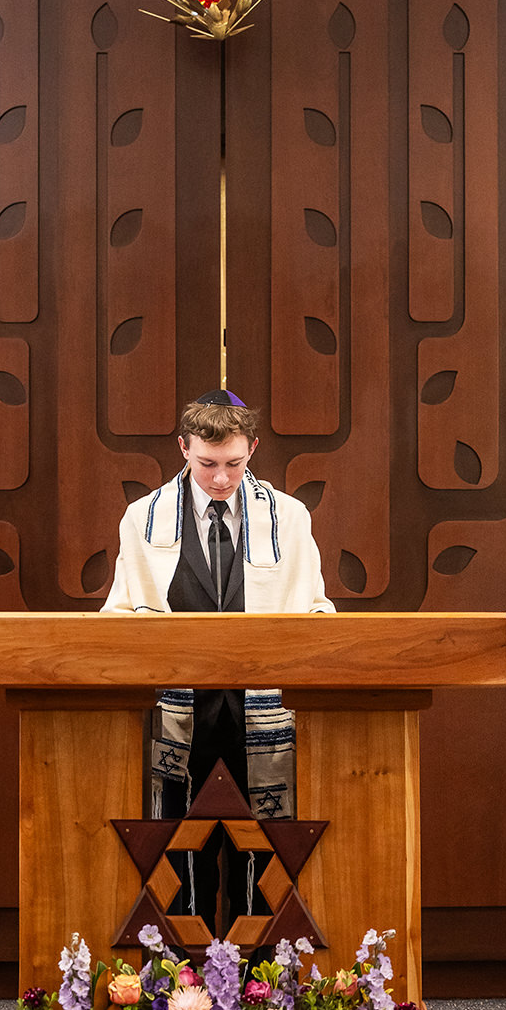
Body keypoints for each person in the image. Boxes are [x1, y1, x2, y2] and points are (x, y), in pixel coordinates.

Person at [101, 390, 335, 938]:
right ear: (184, 448)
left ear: (252, 447)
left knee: (266, 842)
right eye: (207, 464)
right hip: (182, 710)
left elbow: (315, 606)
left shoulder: (290, 517)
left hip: (261, 706)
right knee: (183, 840)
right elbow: (122, 612)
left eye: (235, 463)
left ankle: (262, 970)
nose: (222, 479)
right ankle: (185, 964)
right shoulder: (143, 519)